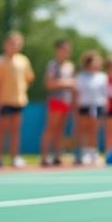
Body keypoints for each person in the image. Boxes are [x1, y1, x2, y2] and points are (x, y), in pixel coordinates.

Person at [0, 30, 33, 168]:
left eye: (17, 43)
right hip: (4, 100)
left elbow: (29, 78)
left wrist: (22, 90)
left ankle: (15, 157)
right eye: (11, 43)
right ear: (5, 44)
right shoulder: (0, 60)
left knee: (16, 130)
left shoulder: (23, 60)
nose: (14, 46)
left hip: (19, 100)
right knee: (1, 130)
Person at [38, 38, 74, 167]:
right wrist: (66, 83)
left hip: (66, 100)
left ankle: (57, 156)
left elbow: (73, 84)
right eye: (64, 50)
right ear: (57, 50)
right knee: (50, 128)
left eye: (68, 50)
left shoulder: (70, 66)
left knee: (60, 130)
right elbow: (49, 83)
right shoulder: (52, 65)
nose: (66, 52)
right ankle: (44, 156)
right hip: (55, 100)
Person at [73, 51, 107, 166]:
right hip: (84, 106)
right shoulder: (80, 77)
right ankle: (84, 153)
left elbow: (105, 94)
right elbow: (76, 94)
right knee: (84, 131)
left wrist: (106, 107)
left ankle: (94, 153)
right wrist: (76, 109)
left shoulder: (102, 77)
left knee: (94, 131)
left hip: (97, 106)